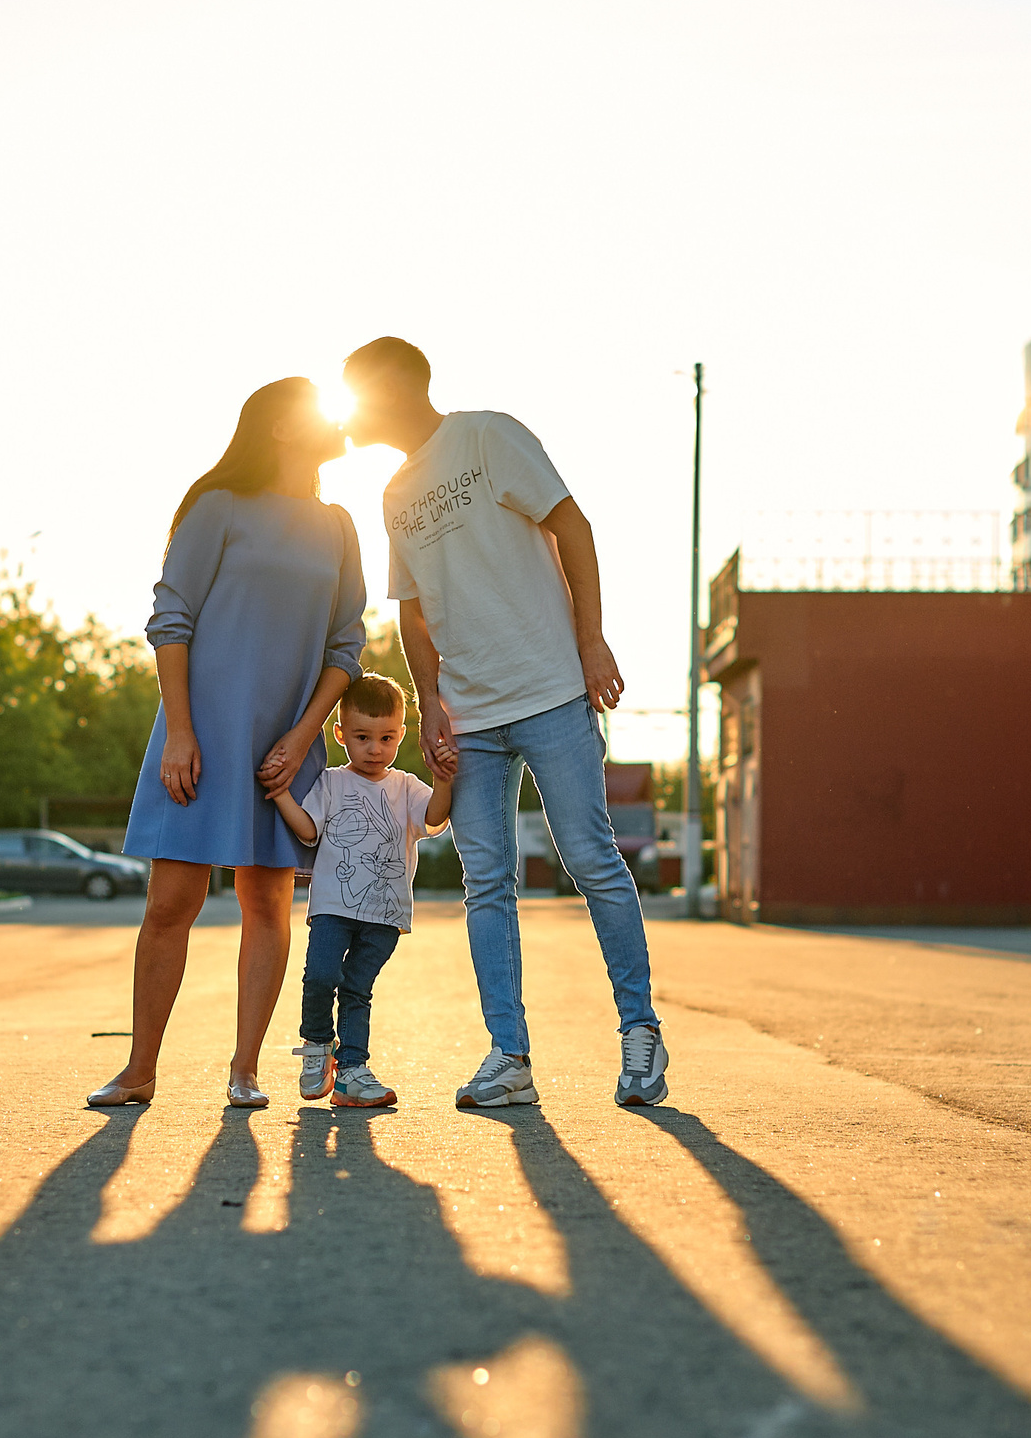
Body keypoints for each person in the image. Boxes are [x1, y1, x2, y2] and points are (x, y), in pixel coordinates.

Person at [338, 337, 671, 1108]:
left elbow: (573, 526)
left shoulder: (487, 435)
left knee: (590, 858)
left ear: (395, 385)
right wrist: (430, 704)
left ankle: (640, 1032)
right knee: (486, 884)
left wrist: (591, 640)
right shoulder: (393, 494)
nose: (349, 409)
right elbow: (413, 612)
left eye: (357, 390)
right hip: (471, 718)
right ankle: (509, 1055)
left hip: (550, 691)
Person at [89, 378, 365, 1110]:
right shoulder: (218, 506)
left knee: (267, 905)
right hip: (202, 737)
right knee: (170, 902)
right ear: (280, 426)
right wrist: (180, 731)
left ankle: (245, 1071)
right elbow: (170, 619)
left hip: (286, 745)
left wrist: (302, 738)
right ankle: (139, 1069)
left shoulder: (339, 526)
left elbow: (346, 645)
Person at [267, 673, 454, 1109]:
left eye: (386, 738)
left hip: (385, 914)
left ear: (401, 735)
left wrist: (443, 778)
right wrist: (280, 795)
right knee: (320, 977)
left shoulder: (406, 786)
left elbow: (433, 817)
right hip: (333, 908)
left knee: (356, 988)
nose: (375, 749)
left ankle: (351, 1071)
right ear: (341, 734)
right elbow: (308, 829)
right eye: (362, 737)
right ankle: (317, 1046)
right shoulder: (331, 782)